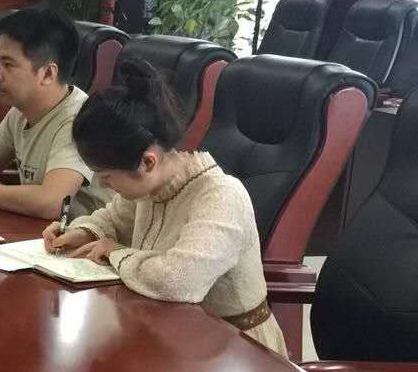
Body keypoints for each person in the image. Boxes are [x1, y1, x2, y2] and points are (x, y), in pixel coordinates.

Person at [42, 58, 286, 355]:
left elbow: (178, 280)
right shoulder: (151, 187)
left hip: (237, 351)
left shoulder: (221, 196)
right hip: (171, 335)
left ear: (147, 162)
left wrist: (114, 252)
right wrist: (83, 232)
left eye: (106, 178)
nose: (104, 187)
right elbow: (113, 219)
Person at [0, 5, 111, 219]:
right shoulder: (22, 109)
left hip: (82, 237)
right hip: (38, 231)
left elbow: (53, 202)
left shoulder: (79, 120)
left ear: (48, 74)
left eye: (8, 64)